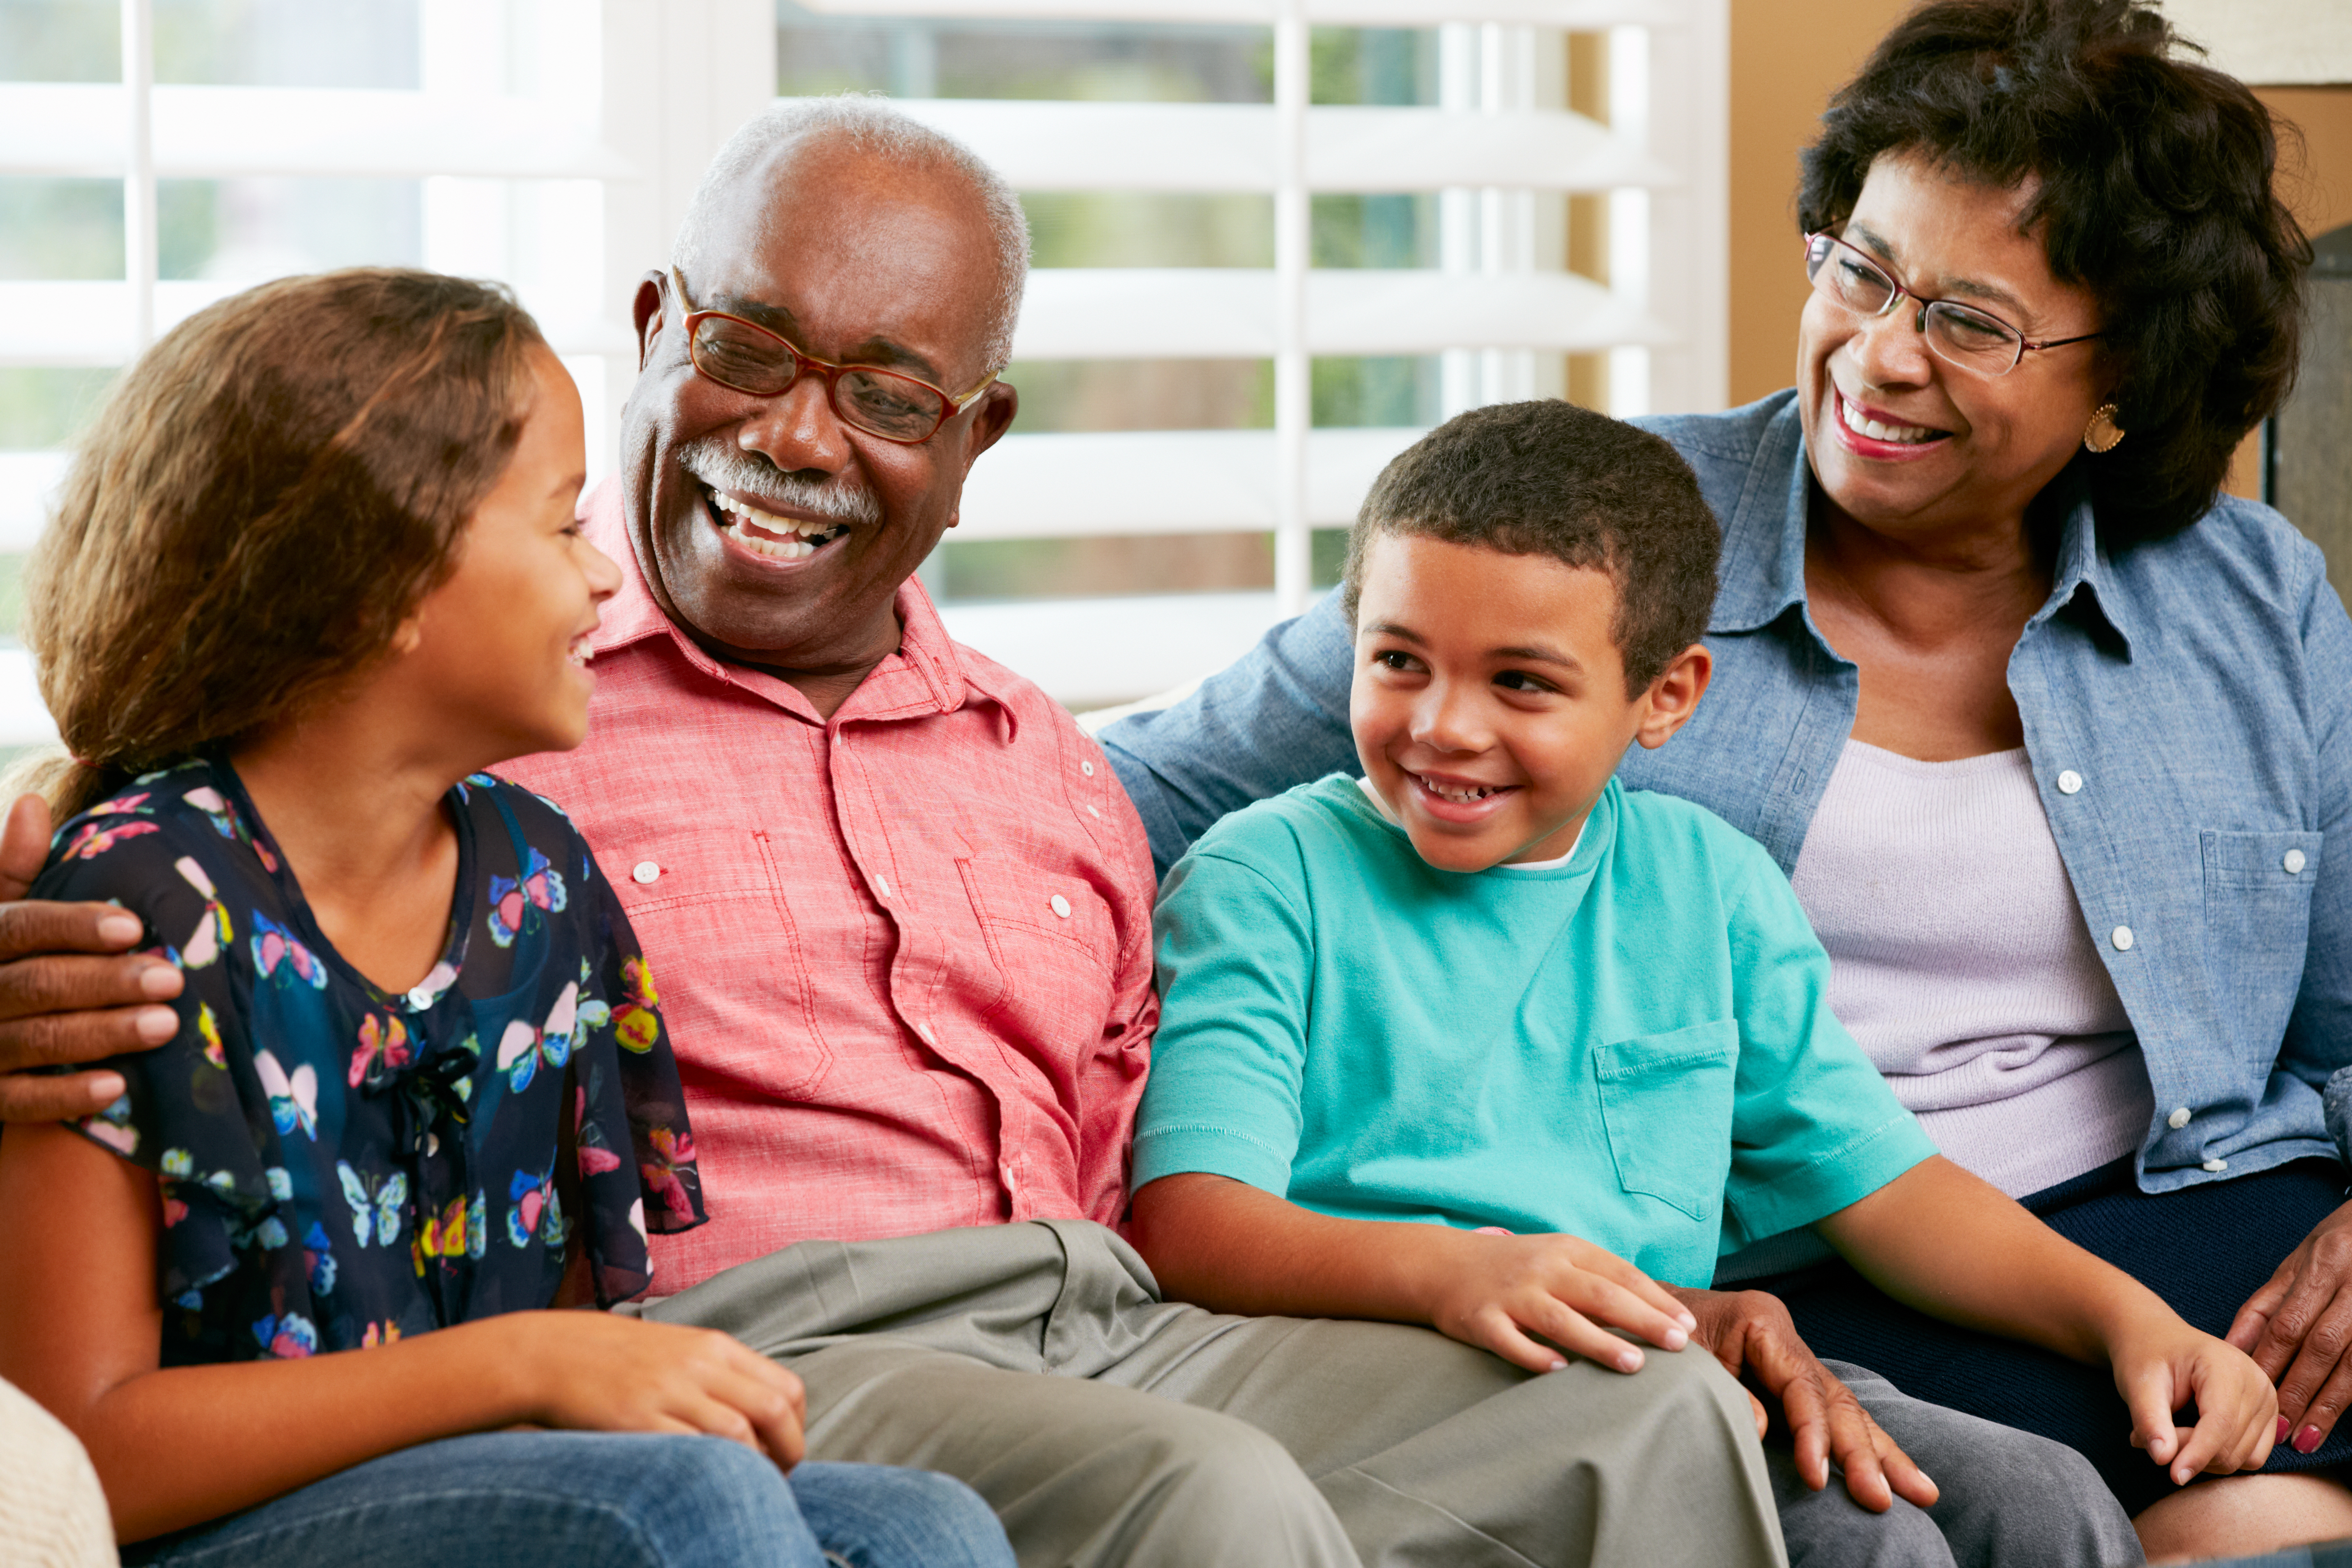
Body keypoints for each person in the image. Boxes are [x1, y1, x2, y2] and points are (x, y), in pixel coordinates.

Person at [0, 103, 1800, 1567]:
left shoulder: (1054, 770)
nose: (797, 435)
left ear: (974, 434)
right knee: (1204, 1491)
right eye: (748, 348)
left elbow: (1208, 1102)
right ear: (652, 330)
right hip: (777, 1333)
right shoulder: (489, 735)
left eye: (883, 392)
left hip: (1105, 1316)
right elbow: (193, 715)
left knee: (1649, 1416)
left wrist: (1597, 1273)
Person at [1098, 0, 2343, 1557]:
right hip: (1825, 1264)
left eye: (1969, 321)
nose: (1879, 356)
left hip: (2199, 1198)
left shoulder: (2247, 596)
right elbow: (1122, 794)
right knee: (2164, 1514)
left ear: (2122, 386)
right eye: (1861, 270)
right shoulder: (1586, 540)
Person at [1132, 398, 2288, 1567]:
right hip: (1381, 1374)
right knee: (1865, 1547)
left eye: (1521, 683)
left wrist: (2130, 1322)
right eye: (1397, 661)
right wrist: (1462, 1269)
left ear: (1666, 697)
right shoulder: (1265, 879)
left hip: (1651, 1363)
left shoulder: (1709, 886)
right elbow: (1190, 1225)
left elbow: (1887, 1192)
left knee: (2042, 1502)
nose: (1443, 726)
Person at [0, 268, 1016, 1568]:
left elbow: (587, 1338)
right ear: (385, 585)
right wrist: (519, 1365)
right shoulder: (134, 910)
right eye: (558, 527)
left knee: (925, 1525)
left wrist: (557, 1373)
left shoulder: (542, 886)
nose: (605, 577)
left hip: (479, 1497)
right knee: (682, 1508)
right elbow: (75, 1455)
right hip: (199, 1530)